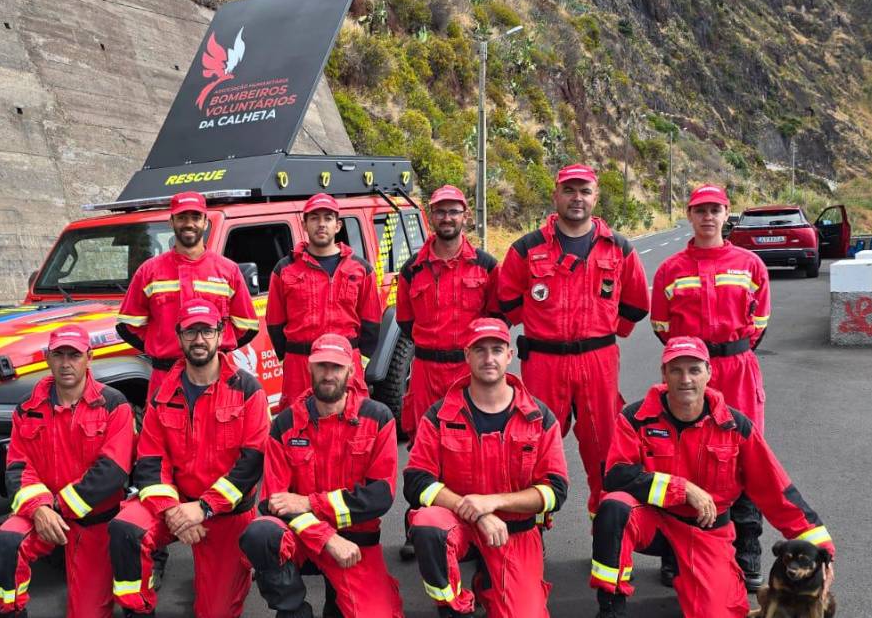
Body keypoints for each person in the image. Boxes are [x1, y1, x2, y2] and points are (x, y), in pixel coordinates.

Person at [589, 336, 835, 618]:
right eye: (676, 370)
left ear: (709, 373)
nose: (686, 379)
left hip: (706, 532)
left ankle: (693, 577)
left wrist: (821, 549)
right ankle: (610, 609)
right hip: (652, 522)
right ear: (664, 374)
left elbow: (776, 490)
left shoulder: (735, 426)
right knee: (614, 506)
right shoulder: (635, 418)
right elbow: (615, 475)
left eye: (694, 370)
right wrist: (681, 489)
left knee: (722, 613)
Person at [496, 163, 650, 515]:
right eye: (569, 190)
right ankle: (529, 527)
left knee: (604, 446)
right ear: (556, 195)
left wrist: (605, 334)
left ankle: (605, 521)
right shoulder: (526, 248)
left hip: (598, 362)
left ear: (596, 197)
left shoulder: (619, 249)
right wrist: (544, 326)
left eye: (584, 191)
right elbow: (507, 302)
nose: (576, 198)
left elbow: (636, 305)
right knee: (530, 444)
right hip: (543, 361)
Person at [108, 299, 270, 617]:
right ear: (179, 336)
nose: (199, 339)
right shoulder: (163, 393)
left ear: (220, 333)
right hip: (176, 505)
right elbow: (151, 462)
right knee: (125, 527)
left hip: (226, 514)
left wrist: (205, 508)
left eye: (207, 330)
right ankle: (137, 610)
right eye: (191, 331)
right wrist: (173, 514)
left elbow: (251, 463)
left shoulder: (248, 389)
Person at [403, 318, 570, 618]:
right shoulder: (439, 415)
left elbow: (556, 490)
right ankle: (453, 607)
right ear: (466, 355)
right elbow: (416, 482)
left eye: (497, 349)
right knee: (428, 523)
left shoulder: (538, 416)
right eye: (479, 350)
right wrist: (476, 512)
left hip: (515, 531)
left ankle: (488, 583)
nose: (489, 358)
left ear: (509, 355)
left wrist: (493, 502)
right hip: (459, 524)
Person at [649, 183, 772, 588]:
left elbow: (759, 323)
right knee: (679, 455)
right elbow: (662, 327)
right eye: (700, 210)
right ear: (689, 214)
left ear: (726, 213)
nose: (707, 217)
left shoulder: (751, 265)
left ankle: (748, 554)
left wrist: (728, 352)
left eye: (715, 210)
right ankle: (675, 555)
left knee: (743, 455)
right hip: (688, 371)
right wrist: (692, 361)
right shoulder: (669, 269)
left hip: (737, 369)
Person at [240, 333, 404, 618]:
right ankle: (292, 609)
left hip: (356, 543)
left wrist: (309, 503)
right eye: (322, 366)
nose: (329, 375)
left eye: (337, 367)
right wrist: (327, 537)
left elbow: (380, 497)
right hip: (302, 539)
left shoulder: (378, 418)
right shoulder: (285, 424)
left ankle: (337, 600)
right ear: (309, 368)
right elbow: (272, 503)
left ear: (351, 371)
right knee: (262, 532)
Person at [0, 326, 135, 618]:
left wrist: (55, 507)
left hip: (92, 523)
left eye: (74, 355)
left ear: (89, 358)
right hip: (43, 516)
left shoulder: (114, 404)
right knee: (6, 543)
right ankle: (9, 612)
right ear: (47, 358)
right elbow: (18, 468)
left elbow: (113, 471)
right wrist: (40, 509)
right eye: (58, 355)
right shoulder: (27, 409)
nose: (66, 363)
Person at [116, 191, 260, 399]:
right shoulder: (149, 272)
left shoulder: (228, 271)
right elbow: (127, 325)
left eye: (195, 217)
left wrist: (214, 347)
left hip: (215, 376)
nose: (189, 223)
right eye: (182, 217)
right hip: (164, 376)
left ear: (205, 222)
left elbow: (248, 326)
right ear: (171, 221)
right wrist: (162, 344)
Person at [395, 184, 500, 441]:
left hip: (469, 370)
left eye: (453, 211)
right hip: (425, 373)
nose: (447, 218)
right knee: (425, 442)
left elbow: (497, 320)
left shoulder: (486, 266)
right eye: (440, 212)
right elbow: (405, 321)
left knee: (474, 442)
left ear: (465, 216)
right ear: (431, 216)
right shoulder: (412, 270)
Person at [265, 193, 382, 412]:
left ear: (337, 226)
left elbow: (372, 323)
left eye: (328, 218)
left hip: (345, 365)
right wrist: (292, 358)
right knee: (298, 429)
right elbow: (274, 323)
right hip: (301, 367)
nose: (321, 224)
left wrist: (356, 362)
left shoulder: (360, 269)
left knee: (350, 428)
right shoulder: (285, 269)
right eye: (314, 218)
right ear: (304, 224)